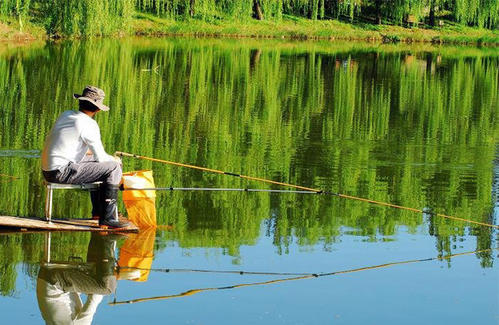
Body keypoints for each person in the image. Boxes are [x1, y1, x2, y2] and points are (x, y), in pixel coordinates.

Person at [41, 85, 129, 228]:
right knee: (113, 168)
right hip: (60, 172)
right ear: (98, 109)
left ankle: (98, 212)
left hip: (48, 170)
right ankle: (108, 218)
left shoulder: (66, 114)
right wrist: (115, 160)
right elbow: (101, 157)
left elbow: (81, 150)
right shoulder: (89, 124)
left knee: (103, 165)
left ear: (80, 102)